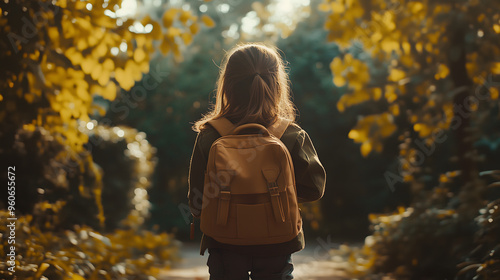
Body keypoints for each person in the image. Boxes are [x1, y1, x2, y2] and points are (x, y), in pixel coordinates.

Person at [188, 43, 326, 280]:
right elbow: (315, 188)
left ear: (228, 85)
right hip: (277, 242)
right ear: (277, 84)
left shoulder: (210, 135)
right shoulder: (290, 134)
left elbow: (197, 200)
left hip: (224, 241)